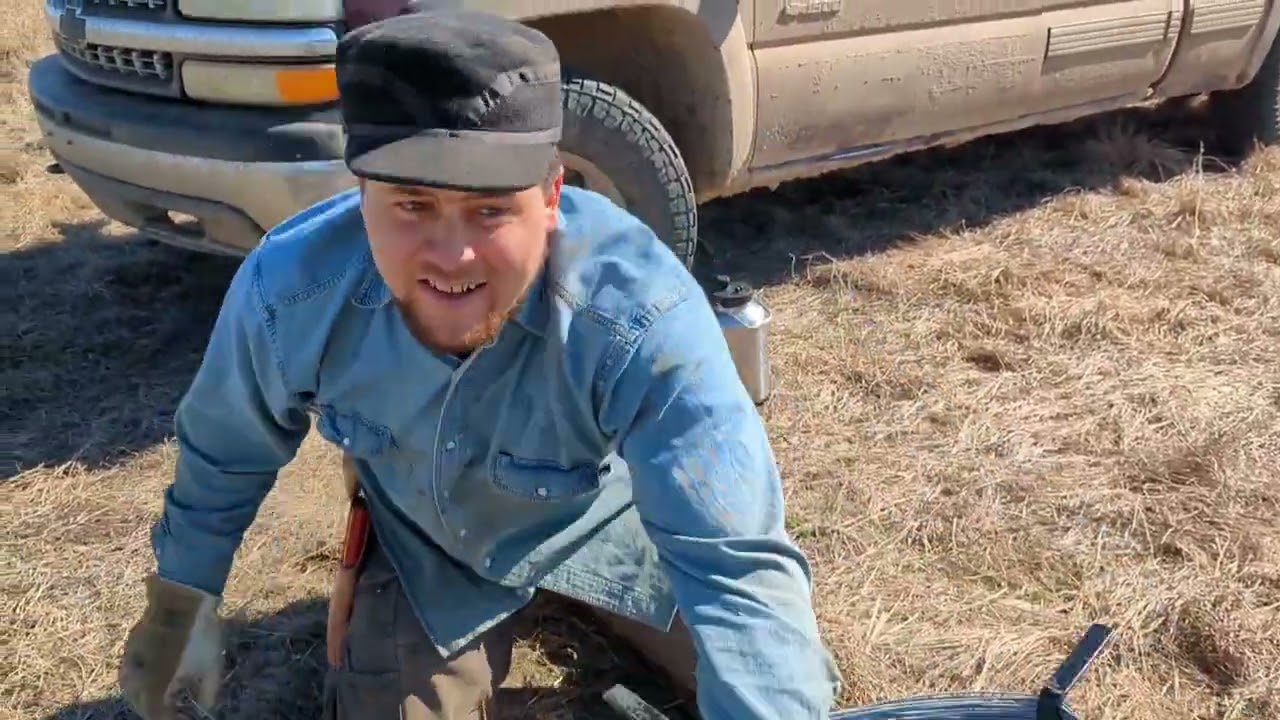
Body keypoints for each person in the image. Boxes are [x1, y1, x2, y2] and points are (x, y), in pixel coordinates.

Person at [116, 9, 842, 720]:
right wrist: (184, 598)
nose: (452, 256)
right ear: (359, 196)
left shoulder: (639, 313)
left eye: (491, 210)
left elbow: (733, 563)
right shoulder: (291, 292)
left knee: (779, 676)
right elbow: (226, 449)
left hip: (606, 520)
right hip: (425, 543)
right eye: (412, 205)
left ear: (553, 197)